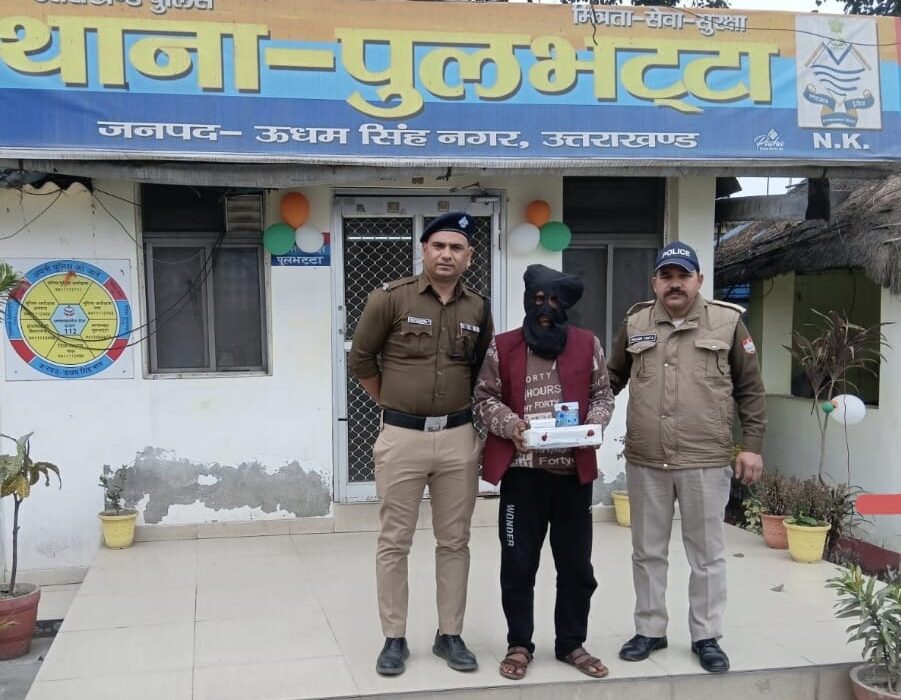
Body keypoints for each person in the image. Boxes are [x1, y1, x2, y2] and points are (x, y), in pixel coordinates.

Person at [606, 241, 767, 674]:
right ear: (655, 282)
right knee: (647, 551)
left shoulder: (728, 323)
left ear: (699, 279)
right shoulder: (636, 322)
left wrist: (752, 445)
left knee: (707, 554)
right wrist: (583, 417)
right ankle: (649, 629)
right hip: (647, 459)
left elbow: (751, 390)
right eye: (667, 276)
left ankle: (706, 635)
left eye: (683, 276)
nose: (674, 284)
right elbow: (612, 377)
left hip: (705, 459)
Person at [349, 211, 493, 677]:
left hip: (458, 439)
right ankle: (394, 637)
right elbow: (361, 360)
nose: (447, 254)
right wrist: (394, 404)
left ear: (469, 257)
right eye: (439, 246)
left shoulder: (478, 308)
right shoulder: (389, 298)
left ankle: (450, 634)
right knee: (395, 541)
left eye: (457, 248)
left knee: (455, 541)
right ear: (424, 250)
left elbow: (482, 371)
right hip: (403, 438)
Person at [473, 264, 614, 681]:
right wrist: (512, 426)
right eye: (537, 300)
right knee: (518, 564)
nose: (545, 309)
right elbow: (484, 399)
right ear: (526, 302)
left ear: (566, 305)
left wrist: (594, 425)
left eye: (554, 301)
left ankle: (571, 643)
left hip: (572, 476)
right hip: (522, 476)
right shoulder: (503, 347)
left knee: (576, 567)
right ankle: (519, 643)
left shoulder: (587, 344)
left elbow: (603, 396)